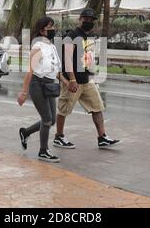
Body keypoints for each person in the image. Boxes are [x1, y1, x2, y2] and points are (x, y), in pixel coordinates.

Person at [54, 8, 121, 149]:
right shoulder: (71, 36)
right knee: (64, 110)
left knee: (97, 107)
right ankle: (58, 137)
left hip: (85, 80)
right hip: (73, 81)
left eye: (91, 20)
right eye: (86, 19)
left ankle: (102, 137)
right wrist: (71, 80)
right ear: (80, 19)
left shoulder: (87, 37)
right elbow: (67, 59)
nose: (88, 22)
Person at [17, 17, 69, 163]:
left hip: (50, 84)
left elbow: (56, 70)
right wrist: (23, 92)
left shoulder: (51, 47)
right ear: (42, 31)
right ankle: (43, 151)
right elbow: (30, 71)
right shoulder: (37, 47)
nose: (53, 30)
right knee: (46, 120)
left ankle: (25, 132)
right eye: (50, 28)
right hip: (37, 84)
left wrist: (67, 82)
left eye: (53, 27)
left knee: (52, 120)